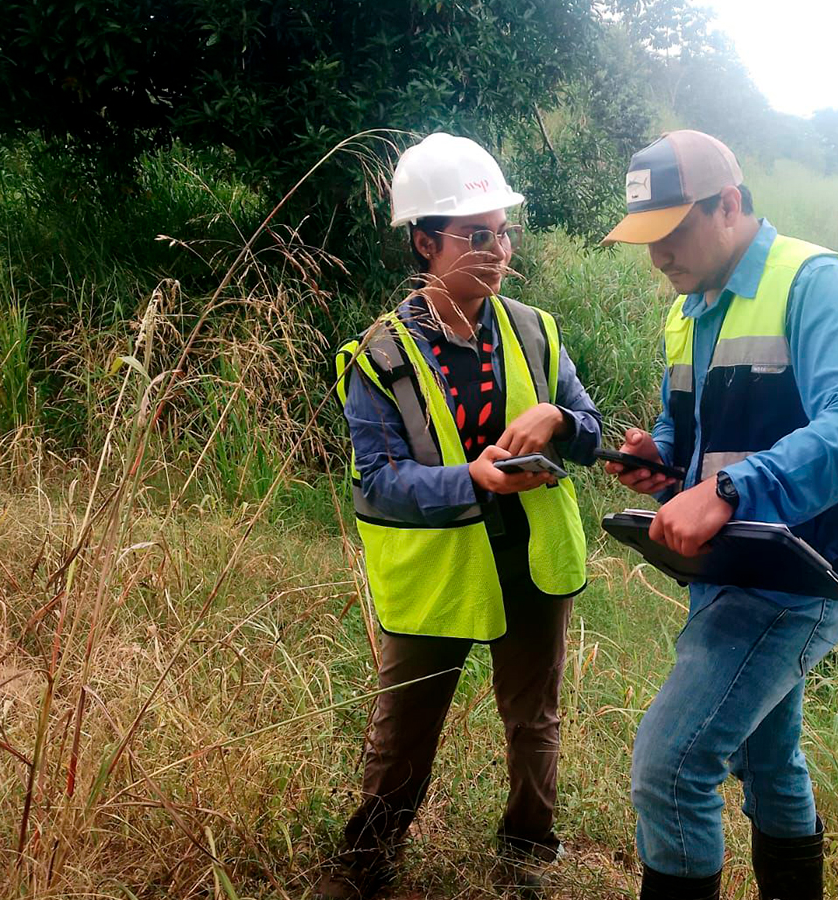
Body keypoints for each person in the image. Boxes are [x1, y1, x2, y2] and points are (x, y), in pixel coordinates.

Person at [600, 130, 838, 900]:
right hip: (730, 568)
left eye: (672, 232)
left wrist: (731, 491)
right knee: (769, 761)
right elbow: (692, 433)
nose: (657, 255)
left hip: (795, 577)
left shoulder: (815, 282)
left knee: (669, 770)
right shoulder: (689, 307)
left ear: (727, 205)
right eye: (647, 239)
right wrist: (661, 458)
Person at [321, 132, 602, 899]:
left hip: (533, 559)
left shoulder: (536, 331)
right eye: (477, 236)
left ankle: (528, 856)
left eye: (503, 232)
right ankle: (368, 863)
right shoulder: (380, 356)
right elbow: (377, 483)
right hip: (441, 570)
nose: (498, 249)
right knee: (405, 727)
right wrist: (470, 482)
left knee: (533, 720)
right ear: (424, 242)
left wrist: (557, 420)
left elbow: (592, 429)